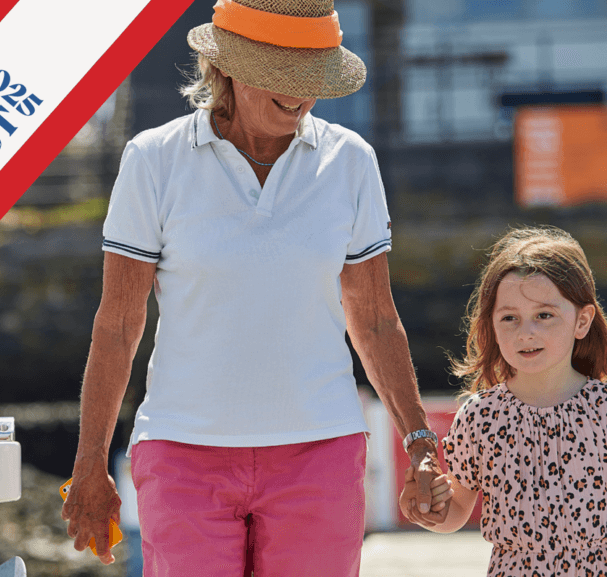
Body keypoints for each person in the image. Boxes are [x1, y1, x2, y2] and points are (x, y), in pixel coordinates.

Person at [61, 0, 451, 575]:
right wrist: (90, 461)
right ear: (227, 70)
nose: (301, 96)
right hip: (181, 453)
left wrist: (419, 444)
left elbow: (373, 320)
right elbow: (118, 325)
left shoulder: (351, 163)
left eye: (312, 80)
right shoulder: (152, 160)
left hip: (321, 452)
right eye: (283, 78)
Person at [400, 226, 607, 576]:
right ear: (491, 326)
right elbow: (455, 512)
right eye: (509, 318)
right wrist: (424, 507)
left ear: (582, 321)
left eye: (544, 315)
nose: (526, 332)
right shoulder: (479, 417)